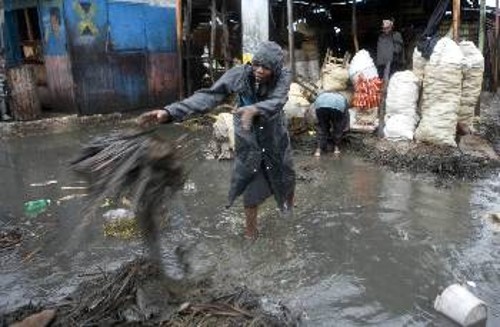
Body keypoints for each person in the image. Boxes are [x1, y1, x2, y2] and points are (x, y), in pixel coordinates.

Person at [139, 41, 296, 240]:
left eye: (266, 68)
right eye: (256, 64)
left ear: (275, 69)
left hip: (274, 133)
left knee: (286, 173)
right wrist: (169, 112)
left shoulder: (283, 76)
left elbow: (278, 100)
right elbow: (209, 97)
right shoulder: (239, 74)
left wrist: (256, 109)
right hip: (248, 134)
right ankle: (250, 233)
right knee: (249, 178)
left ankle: (288, 210)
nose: (259, 70)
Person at [312, 91, 350, 157]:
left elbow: (315, 111)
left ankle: (318, 150)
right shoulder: (342, 99)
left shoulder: (322, 95)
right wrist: (346, 126)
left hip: (320, 106)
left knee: (322, 127)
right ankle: (336, 148)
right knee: (338, 127)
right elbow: (345, 116)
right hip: (337, 108)